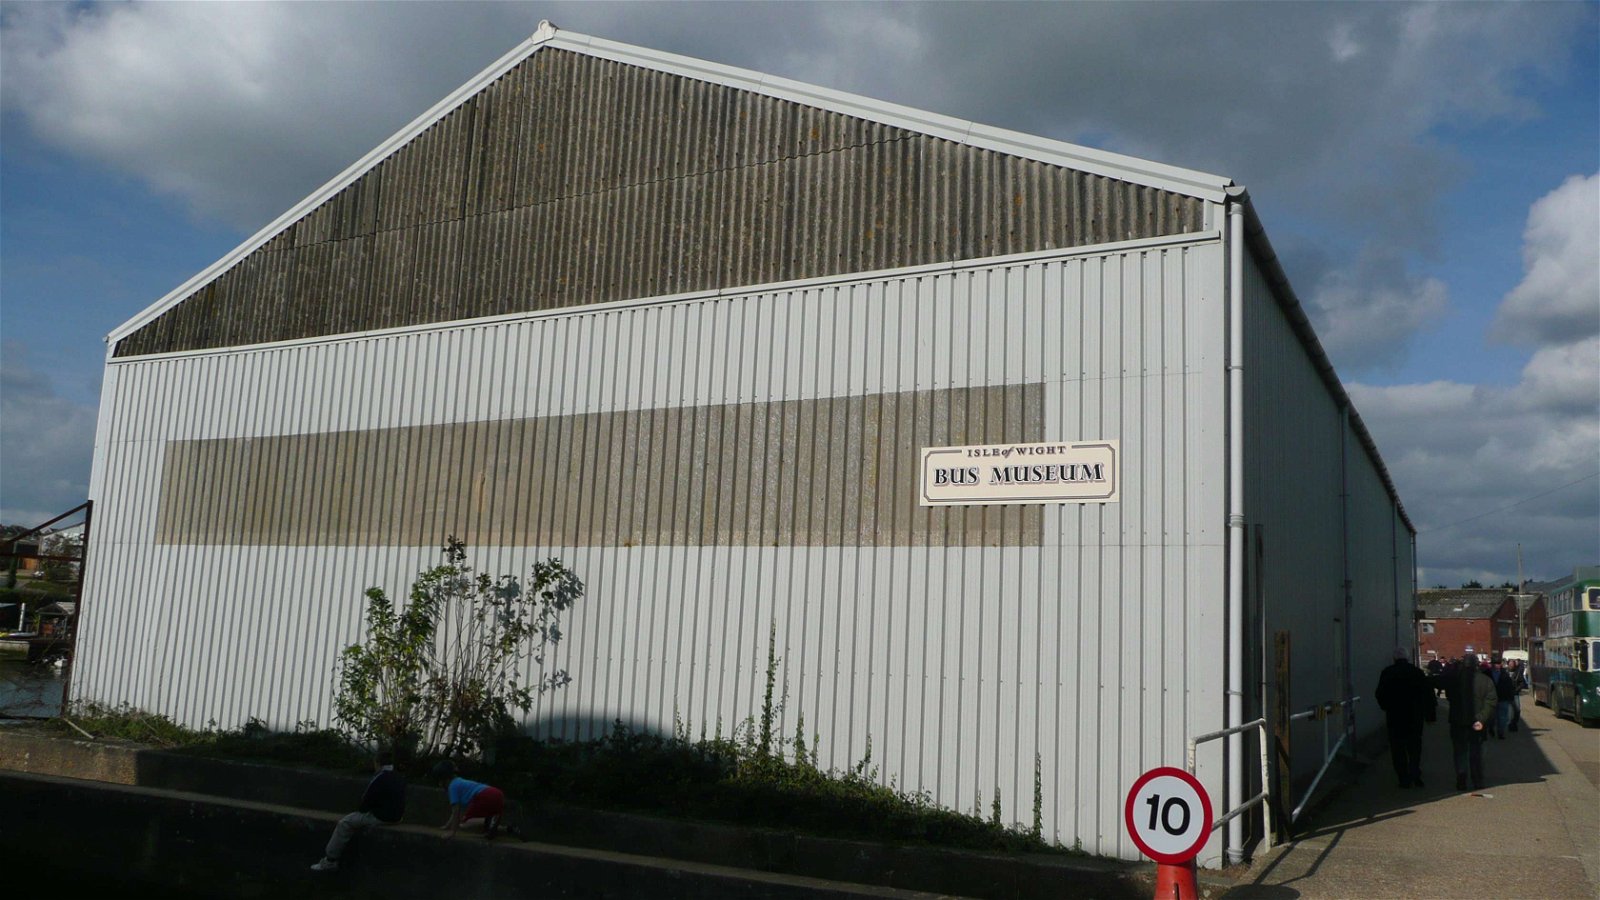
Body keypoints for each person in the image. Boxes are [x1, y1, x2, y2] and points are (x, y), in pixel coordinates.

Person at [312, 749, 407, 871]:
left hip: (382, 817)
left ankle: (330, 861)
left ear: (377, 763)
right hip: (398, 817)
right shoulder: (399, 777)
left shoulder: (379, 778)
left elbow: (364, 805)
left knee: (344, 823)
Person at [1375, 646, 1434, 788]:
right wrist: (1429, 715)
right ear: (1407, 658)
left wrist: (1386, 707)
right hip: (1414, 717)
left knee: (1398, 749)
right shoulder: (1417, 673)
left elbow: (1380, 694)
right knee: (1414, 748)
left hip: (1395, 716)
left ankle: (1403, 777)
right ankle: (1415, 773)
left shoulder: (1387, 673)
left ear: (1394, 658)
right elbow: (1428, 694)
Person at [1440, 657, 1496, 791]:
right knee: (1477, 752)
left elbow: (1446, 692)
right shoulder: (1485, 680)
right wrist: (1482, 718)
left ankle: (1461, 778)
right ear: (1476, 665)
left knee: (1460, 752)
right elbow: (1491, 701)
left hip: (1458, 722)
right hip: (1476, 723)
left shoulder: (1454, 679)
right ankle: (1477, 780)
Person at [432, 760, 525, 841]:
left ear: (443, 779)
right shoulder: (459, 782)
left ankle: (491, 819)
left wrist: (452, 832)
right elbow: (455, 812)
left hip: (486, 796)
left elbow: (456, 811)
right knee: (483, 828)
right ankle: (508, 828)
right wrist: (447, 826)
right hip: (496, 794)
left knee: (464, 824)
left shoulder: (452, 787)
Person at [1490, 661, 1515, 739]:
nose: (1497, 665)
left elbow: (1510, 687)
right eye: (1496, 663)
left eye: (1498, 663)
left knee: (1500, 716)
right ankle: (1496, 731)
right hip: (1496, 698)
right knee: (1499, 716)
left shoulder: (1489, 674)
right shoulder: (1504, 674)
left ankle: (1500, 732)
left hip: (1500, 698)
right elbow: (1510, 687)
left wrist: (1511, 697)